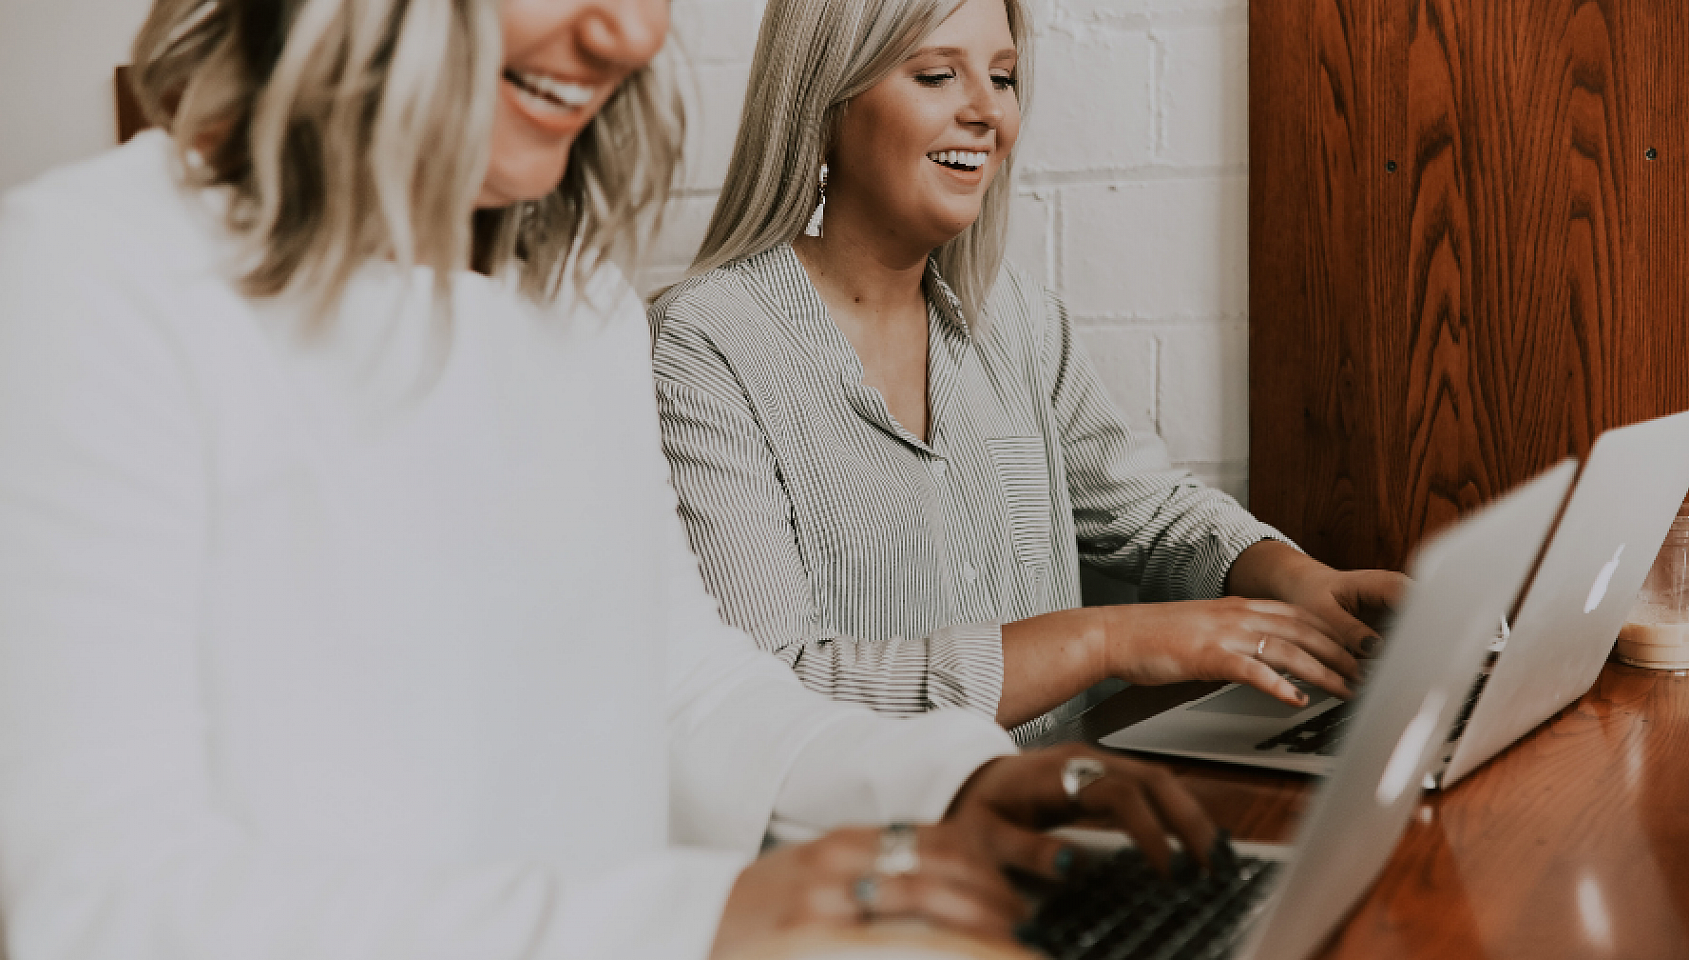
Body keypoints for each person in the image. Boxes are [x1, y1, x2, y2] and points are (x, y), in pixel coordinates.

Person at [0, 1, 1221, 957]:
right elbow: (97, 905)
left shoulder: (571, 296)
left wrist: (953, 780)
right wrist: (700, 926)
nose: (631, 33)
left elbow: (683, 687)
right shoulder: (90, 278)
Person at [650, 0, 1409, 735]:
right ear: (826, 103)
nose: (990, 112)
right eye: (937, 75)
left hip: (1068, 816)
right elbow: (777, 689)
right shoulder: (705, 344)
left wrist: (1309, 585)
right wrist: (1106, 642)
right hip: (884, 847)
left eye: (1004, 77)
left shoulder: (1015, 318)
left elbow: (1152, 513)